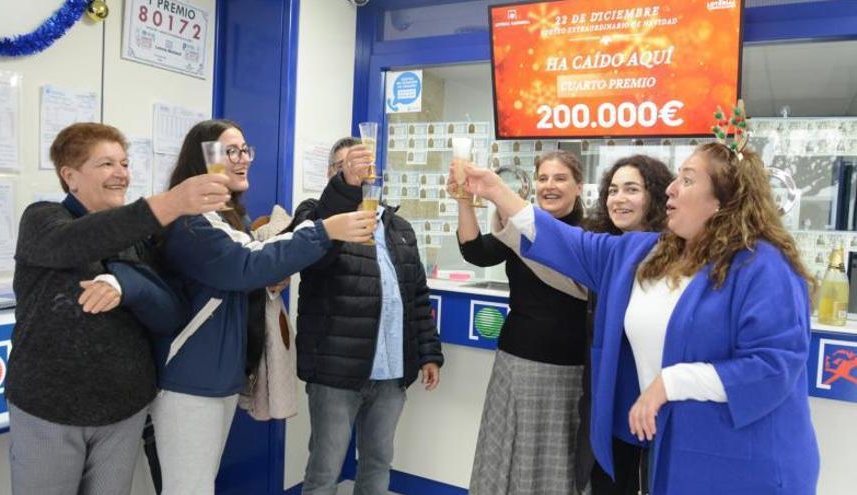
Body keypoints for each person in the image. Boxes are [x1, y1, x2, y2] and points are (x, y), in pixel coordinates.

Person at [465, 142, 820, 494]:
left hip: (742, 459)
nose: (671, 188)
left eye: (688, 179)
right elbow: (565, 241)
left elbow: (773, 364)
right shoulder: (644, 252)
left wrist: (671, 383)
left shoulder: (764, 266)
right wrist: (495, 191)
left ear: (722, 200)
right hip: (673, 448)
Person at [150, 119, 376, 495]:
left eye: (244, 150)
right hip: (188, 382)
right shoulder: (189, 225)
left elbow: (257, 260)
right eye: (230, 151)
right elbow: (244, 265)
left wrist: (343, 190)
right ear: (202, 160)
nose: (242, 159)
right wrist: (326, 230)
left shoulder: (223, 220)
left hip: (218, 378)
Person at [6, 122, 230, 495]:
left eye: (124, 164)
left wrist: (127, 285)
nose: (121, 174)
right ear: (70, 176)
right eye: (106, 164)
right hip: (49, 409)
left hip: (123, 412)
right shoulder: (43, 219)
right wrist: (171, 203)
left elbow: (170, 314)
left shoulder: (137, 239)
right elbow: (76, 242)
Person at [291, 139, 444, 495]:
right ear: (332, 175)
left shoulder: (399, 227)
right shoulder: (314, 219)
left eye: (363, 167)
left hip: (390, 373)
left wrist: (429, 353)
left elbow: (417, 297)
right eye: (347, 167)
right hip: (336, 375)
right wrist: (343, 192)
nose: (359, 173)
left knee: (377, 466)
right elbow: (311, 258)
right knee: (324, 472)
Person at [451, 150, 589, 494]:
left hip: (570, 369)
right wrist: (464, 201)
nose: (549, 186)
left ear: (579, 186)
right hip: (516, 361)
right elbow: (476, 251)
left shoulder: (592, 234)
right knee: (505, 455)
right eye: (543, 178)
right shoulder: (522, 228)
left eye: (560, 179)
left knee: (556, 461)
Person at [577, 155, 674, 494]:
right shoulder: (603, 247)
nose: (618, 198)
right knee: (608, 480)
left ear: (657, 196)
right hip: (611, 395)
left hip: (654, 396)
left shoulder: (678, 253)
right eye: (613, 189)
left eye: (631, 189)